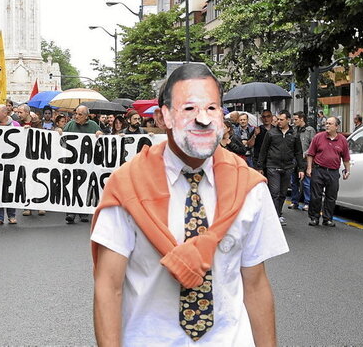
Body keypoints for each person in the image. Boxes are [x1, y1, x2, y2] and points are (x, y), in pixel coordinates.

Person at [91, 63, 287, 345]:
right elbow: (109, 287)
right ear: (162, 117)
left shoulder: (250, 188)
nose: (203, 119)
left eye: (212, 109)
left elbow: (255, 285)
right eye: (189, 109)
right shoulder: (125, 186)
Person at [256, 110, 304, 226]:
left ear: (288, 120)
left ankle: (278, 213)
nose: (279, 122)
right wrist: (260, 166)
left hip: (288, 167)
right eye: (277, 119)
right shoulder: (271, 133)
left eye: (281, 120)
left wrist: (301, 169)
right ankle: (274, 216)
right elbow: (264, 150)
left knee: (283, 193)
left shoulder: (294, 135)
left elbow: (298, 152)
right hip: (273, 166)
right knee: (275, 192)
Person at [306, 117, 350, 227]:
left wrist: (347, 170)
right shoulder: (318, 137)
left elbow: (346, 158)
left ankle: (327, 218)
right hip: (319, 169)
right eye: (326, 123)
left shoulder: (342, 140)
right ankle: (314, 217)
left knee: (331, 196)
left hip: (333, 172)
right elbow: (310, 154)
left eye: (330, 124)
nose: (327, 126)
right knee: (316, 195)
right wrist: (309, 168)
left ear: (337, 126)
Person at [63, 105, 103, 224]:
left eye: (80, 114)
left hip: (87, 162)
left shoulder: (93, 126)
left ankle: (83, 212)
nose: (76, 116)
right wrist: (58, 131)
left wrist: (100, 135)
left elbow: (101, 142)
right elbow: (60, 137)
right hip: (72, 161)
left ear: (86, 117)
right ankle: (71, 212)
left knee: (85, 186)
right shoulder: (70, 125)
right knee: (71, 186)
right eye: (76, 113)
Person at [289, 111, 314, 211]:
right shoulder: (294, 130)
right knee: (294, 181)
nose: (294, 121)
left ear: (302, 119)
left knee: (306, 182)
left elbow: (313, 145)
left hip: (305, 159)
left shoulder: (310, 130)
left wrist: (305, 153)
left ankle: (307, 202)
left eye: (296, 119)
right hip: (294, 159)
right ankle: (294, 201)